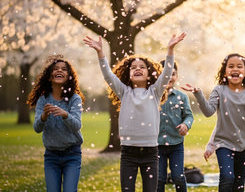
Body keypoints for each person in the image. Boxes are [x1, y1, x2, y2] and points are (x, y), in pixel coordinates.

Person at [83, 33, 186, 192]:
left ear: (149, 72)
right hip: (128, 153)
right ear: (128, 74)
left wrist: (170, 50)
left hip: (151, 153)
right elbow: (108, 75)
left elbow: (166, 74)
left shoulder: (155, 92)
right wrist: (100, 54)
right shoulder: (124, 92)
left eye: (142, 67)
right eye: (133, 67)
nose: (137, 69)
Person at [181, 53, 245, 192]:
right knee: (227, 178)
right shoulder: (219, 90)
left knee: (239, 183)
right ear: (224, 72)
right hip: (224, 143)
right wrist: (199, 94)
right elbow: (208, 112)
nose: (235, 69)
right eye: (230, 66)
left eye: (239, 66)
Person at [28, 55, 85, 192]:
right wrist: (43, 116)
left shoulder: (74, 99)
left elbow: (77, 125)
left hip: (72, 154)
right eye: (56, 69)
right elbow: (37, 128)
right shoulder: (43, 100)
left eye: (64, 69)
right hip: (51, 156)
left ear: (69, 76)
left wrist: (65, 114)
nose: (60, 71)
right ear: (49, 76)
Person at [204, 113, 245, 192]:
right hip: (236, 152)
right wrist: (210, 147)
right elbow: (220, 127)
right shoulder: (232, 105)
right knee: (234, 182)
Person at [158, 60, 194, 192]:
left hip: (176, 144)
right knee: (159, 178)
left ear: (177, 76)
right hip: (157, 145)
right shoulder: (153, 96)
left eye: (172, 74)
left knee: (178, 176)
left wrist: (186, 124)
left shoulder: (182, 97)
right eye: (164, 74)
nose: (168, 77)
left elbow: (189, 116)